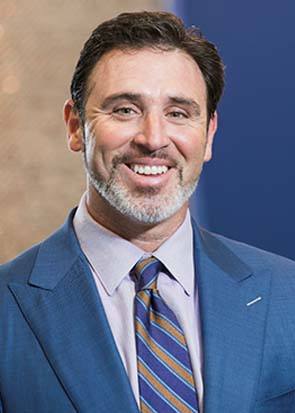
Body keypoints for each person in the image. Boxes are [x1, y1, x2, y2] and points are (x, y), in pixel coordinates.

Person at [0, 11, 295, 413]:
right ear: (74, 126)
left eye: (178, 113)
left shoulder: (286, 295)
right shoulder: (7, 309)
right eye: (125, 109)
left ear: (208, 135)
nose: (153, 139)